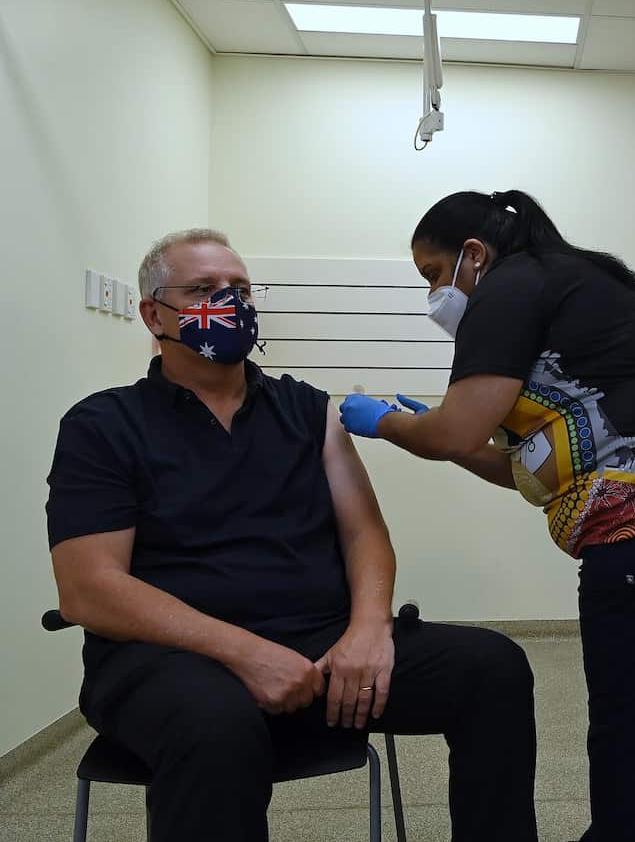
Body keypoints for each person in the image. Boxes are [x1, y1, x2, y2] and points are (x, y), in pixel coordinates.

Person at [46, 229, 537, 842]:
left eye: (241, 289)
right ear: (153, 313)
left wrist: (368, 628)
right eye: (204, 289)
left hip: (320, 648)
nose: (231, 302)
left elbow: (365, 536)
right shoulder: (103, 425)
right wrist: (245, 653)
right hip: (170, 663)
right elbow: (89, 590)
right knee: (214, 724)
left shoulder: (308, 410)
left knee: (493, 669)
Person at [337, 190, 635, 841]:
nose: (433, 295)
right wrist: (434, 430)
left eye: (431, 274)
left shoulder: (509, 287)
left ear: (473, 255)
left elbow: (453, 434)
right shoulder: (557, 286)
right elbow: (520, 468)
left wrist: (390, 424)